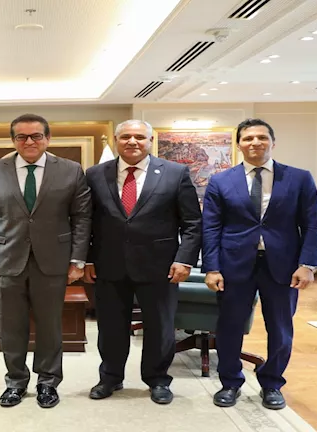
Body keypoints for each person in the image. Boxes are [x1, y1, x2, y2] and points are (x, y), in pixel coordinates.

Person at [201, 118, 317, 410]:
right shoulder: (221, 181)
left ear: (272, 143)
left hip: (283, 266)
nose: (255, 142)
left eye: (262, 137)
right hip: (233, 265)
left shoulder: (299, 178)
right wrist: (212, 268)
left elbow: (311, 224)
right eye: (248, 138)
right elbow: (211, 227)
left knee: (280, 329)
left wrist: (308, 264)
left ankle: (272, 383)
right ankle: (230, 382)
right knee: (229, 327)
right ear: (239, 144)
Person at [0, 113, 92, 408]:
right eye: (22, 136)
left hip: (53, 260)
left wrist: (78, 260)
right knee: (10, 327)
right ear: (13, 140)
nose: (29, 141)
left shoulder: (71, 170)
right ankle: (15, 382)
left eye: (36, 135)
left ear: (48, 138)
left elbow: (81, 217)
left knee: (50, 326)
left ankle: (48, 382)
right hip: (6, 259)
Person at [83, 119, 202, 404]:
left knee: (160, 326)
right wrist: (87, 259)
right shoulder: (95, 174)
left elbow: (192, 222)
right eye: (125, 136)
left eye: (139, 136)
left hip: (160, 266)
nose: (132, 142)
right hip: (108, 264)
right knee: (110, 327)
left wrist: (184, 260)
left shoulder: (175, 173)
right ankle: (110, 377)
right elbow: (86, 220)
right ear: (116, 140)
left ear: (150, 141)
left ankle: (158, 379)